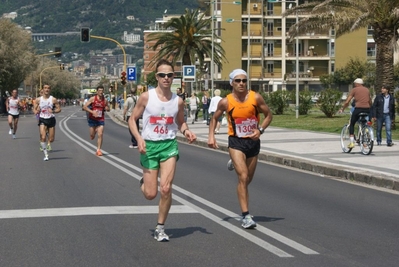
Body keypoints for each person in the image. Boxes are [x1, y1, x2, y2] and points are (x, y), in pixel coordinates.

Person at [128, 59, 196, 242]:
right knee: (151, 194)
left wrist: (187, 131)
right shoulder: (146, 97)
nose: (166, 78)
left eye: (170, 75)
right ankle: (144, 181)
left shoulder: (178, 101)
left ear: (174, 77)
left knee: (165, 188)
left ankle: (160, 227)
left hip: (169, 145)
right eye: (162, 75)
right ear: (156, 77)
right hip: (149, 146)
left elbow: (180, 121)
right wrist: (139, 138)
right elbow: (132, 119)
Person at [208, 69, 272, 229]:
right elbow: (214, 118)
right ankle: (246, 216)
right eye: (238, 81)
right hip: (236, 141)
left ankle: (236, 162)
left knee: (247, 180)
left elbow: (269, 115)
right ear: (231, 83)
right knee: (243, 177)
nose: (241, 83)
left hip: (253, 142)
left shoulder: (255, 97)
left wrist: (260, 130)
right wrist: (211, 136)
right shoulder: (226, 101)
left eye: (244, 80)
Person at [338, 78, 372, 148]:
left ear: (357, 84)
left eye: (354, 84)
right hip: (367, 109)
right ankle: (365, 129)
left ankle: (351, 142)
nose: (354, 85)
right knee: (365, 121)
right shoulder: (367, 90)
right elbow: (370, 101)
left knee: (352, 124)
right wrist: (370, 107)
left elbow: (347, 101)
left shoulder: (354, 90)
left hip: (358, 109)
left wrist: (343, 108)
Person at [33, 84, 61, 161]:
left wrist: (54, 111)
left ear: (50, 90)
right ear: (43, 89)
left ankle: (48, 140)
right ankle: (46, 155)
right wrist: (36, 111)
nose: (47, 89)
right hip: (42, 119)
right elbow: (34, 108)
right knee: (43, 137)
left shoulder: (53, 99)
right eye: (45, 88)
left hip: (51, 119)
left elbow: (59, 109)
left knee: (51, 139)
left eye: (48, 88)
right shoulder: (38, 99)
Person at [83, 85, 110, 156]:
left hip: (101, 119)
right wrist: (92, 112)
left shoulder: (105, 100)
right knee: (92, 136)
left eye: (102, 91)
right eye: (99, 91)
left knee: (100, 134)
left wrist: (107, 108)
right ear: (97, 91)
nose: (101, 92)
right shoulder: (93, 99)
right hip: (92, 119)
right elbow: (85, 107)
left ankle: (98, 150)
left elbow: (108, 107)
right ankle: (93, 133)